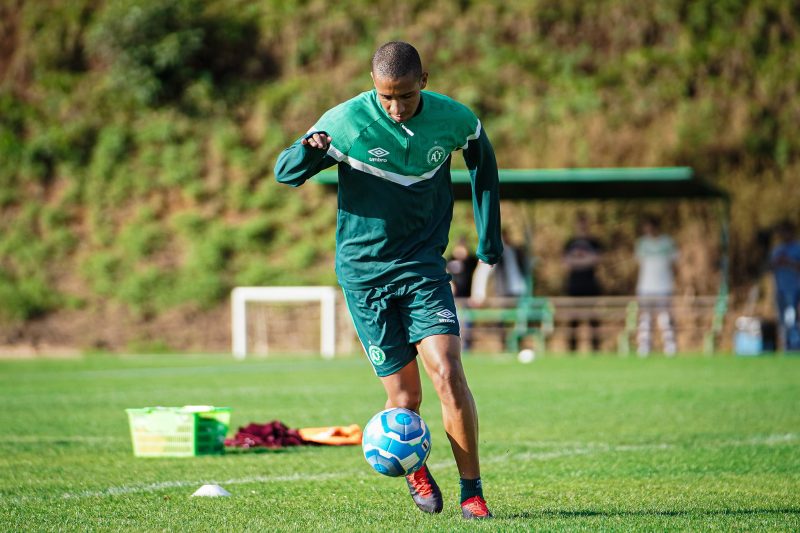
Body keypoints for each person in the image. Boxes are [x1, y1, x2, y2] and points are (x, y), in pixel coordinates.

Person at [274, 41, 502, 520]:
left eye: (406, 96)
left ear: (424, 81)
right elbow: (285, 173)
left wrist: (489, 237)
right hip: (364, 275)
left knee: (448, 372)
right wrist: (308, 152)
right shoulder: (345, 122)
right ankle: (414, 466)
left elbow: (483, 162)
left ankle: (472, 492)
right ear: (373, 87)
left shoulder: (453, 119)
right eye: (386, 97)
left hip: (422, 267)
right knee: (404, 398)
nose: (396, 108)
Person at [634, 215, 679, 356]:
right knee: (645, 318)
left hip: (663, 287)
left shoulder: (667, 242)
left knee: (665, 318)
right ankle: (644, 347)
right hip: (645, 288)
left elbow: (676, 260)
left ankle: (669, 346)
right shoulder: (641, 243)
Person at [562, 212, 603, 352]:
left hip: (590, 284)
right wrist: (586, 260)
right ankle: (572, 349)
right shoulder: (570, 242)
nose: (582, 226)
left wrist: (577, 261)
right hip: (574, 285)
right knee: (573, 318)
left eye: (584, 223)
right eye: (580, 223)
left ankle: (595, 349)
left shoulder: (594, 242)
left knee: (593, 318)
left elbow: (596, 260)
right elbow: (566, 263)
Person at [769, 221, 800, 351]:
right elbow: (770, 268)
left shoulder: (797, 248)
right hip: (780, 289)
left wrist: (788, 262)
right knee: (782, 320)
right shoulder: (778, 250)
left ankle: (795, 345)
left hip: (794, 290)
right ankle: (786, 346)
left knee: (791, 318)